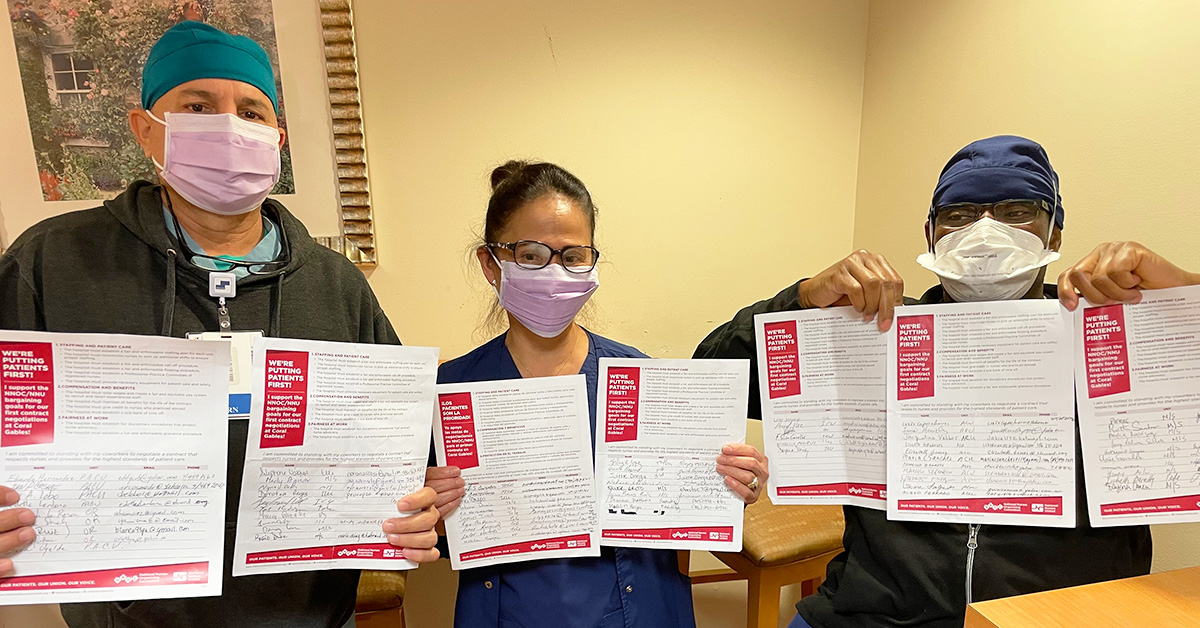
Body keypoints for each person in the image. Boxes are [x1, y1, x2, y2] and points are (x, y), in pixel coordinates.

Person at [0, 21, 438, 628]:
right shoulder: (52, 264)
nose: (230, 126)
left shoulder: (334, 284)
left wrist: (419, 507)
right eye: (198, 105)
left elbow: (407, 454)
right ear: (146, 128)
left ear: (277, 138)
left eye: (252, 111)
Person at [693, 135, 1195, 628]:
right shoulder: (876, 332)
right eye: (959, 215)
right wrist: (802, 300)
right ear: (931, 233)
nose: (984, 231)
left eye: (1017, 210)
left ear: (1055, 233)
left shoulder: (1110, 337)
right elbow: (713, 375)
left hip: (1057, 615)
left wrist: (1183, 297)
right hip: (874, 612)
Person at [423, 160, 769, 628]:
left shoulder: (641, 379)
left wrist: (731, 486)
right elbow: (434, 535)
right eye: (530, 255)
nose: (554, 273)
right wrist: (431, 512)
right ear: (491, 263)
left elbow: (689, 513)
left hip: (639, 610)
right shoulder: (452, 391)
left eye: (572, 256)